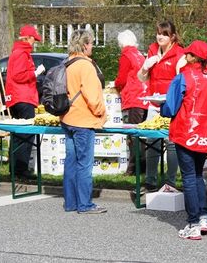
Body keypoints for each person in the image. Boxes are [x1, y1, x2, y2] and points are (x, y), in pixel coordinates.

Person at [161, 40, 207, 240]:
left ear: (192, 57)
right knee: (198, 175)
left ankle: (192, 222)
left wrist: (162, 108)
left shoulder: (183, 77)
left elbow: (170, 107)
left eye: (187, 54)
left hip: (186, 131)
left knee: (190, 177)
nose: (185, 56)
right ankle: (202, 217)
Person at [61, 29, 107, 214]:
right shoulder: (86, 66)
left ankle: (71, 202)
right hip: (83, 120)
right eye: (92, 43)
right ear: (86, 44)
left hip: (68, 118)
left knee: (71, 162)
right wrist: (101, 112)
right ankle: (85, 204)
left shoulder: (68, 63)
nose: (93, 46)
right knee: (84, 164)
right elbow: (92, 96)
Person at [137, 20, 184, 192]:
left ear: (172, 36)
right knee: (151, 141)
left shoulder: (180, 54)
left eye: (164, 34)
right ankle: (150, 181)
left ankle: (170, 183)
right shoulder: (151, 51)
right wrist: (145, 67)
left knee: (171, 143)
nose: (160, 37)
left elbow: (182, 82)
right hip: (154, 104)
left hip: (171, 106)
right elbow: (142, 78)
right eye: (158, 33)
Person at [5, 25, 45, 179]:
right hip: (23, 97)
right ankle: (21, 170)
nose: (34, 43)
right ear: (27, 38)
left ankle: (14, 170)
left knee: (17, 135)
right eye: (34, 39)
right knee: (25, 136)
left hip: (15, 97)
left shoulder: (17, 52)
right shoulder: (22, 54)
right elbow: (19, 76)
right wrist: (35, 73)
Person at [114, 29, 148, 175]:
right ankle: (141, 166)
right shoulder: (140, 55)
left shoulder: (126, 55)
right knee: (141, 136)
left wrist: (115, 85)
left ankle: (134, 169)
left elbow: (121, 79)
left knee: (133, 136)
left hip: (132, 98)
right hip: (144, 97)